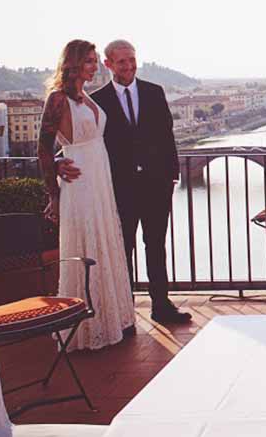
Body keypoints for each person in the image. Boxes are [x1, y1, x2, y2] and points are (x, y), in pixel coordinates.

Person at [58, 40, 190, 324]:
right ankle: (125, 313)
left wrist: (172, 175)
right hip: (119, 188)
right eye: (121, 62)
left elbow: (167, 137)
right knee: (122, 250)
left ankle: (162, 306)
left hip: (157, 184)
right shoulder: (96, 100)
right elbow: (81, 140)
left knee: (156, 246)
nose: (129, 66)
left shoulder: (154, 92)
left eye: (132, 60)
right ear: (108, 64)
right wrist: (58, 161)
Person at [39, 40, 136, 351]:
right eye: (90, 62)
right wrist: (53, 192)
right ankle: (83, 329)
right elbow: (42, 149)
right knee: (85, 247)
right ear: (74, 63)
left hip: (100, 182)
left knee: (104, 244)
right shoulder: (57, 100)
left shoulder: (85, 98)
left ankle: (109, 321)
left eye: (96, 62)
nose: (94, 67)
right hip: (79, 183)